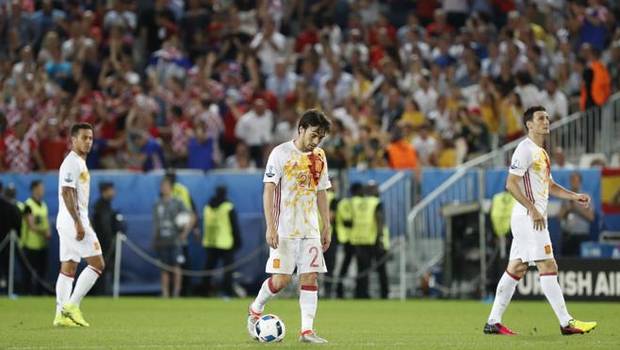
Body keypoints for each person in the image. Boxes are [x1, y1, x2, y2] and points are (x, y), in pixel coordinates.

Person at [484, 106, 597, 336]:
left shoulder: (542, 152)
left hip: (529, 216)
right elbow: (510, 184)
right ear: (529, 124)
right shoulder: (524, 149)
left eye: (547, 117)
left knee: (517, 267)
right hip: (529, 218)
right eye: (541, 118)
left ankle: (493, 321)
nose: (546, 121)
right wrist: (533, 209)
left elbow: (550, 186)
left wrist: (574, 196)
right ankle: (567, 323)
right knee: (548, 265)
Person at [247, 109, 331, 344]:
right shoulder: (280, 153)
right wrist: (270, 226)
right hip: (284, 229)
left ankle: (307, 331)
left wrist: (327, 225)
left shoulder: (320, 157)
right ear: (301, 129)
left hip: (310, 229)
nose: (316, 141)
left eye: (320, 137)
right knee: (281, 280)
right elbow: (269, 190)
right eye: (313, 135)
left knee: (310, 277)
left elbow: (322, 191)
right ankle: (255, 309)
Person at [54, 123, 105, 328]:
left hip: (67, 220)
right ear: (73, 140)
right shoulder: (72, 162)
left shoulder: (79, 163)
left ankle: (60, 315)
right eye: (84, 138)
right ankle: (72, 306)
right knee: (98, 264)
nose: (88, 142)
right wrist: (77, 222)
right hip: (72, 221)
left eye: (91, 138)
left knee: (69, 266)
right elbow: (67, 192)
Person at [153, 176, 192, 298]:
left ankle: (176, 292)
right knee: (164, 268)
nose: (163, 188)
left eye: (166, 186)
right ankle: (165, 292)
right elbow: (155, 223)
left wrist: (184, 233)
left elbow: (190, 216)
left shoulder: (178, 202)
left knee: (176, 266)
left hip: (175, 240)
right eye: (162, 186)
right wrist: (155, 238)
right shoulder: (157, 203)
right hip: (162, 240)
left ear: (171, 188)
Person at [202, 186, 242, 297]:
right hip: (225, 242)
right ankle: (227, 292)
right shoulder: (228, 206)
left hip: (210, 242)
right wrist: (238, 241)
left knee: (208, 269)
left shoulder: (207, 207)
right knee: (228, 270)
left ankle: (205, 291)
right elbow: (234, 225)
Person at [20, 180, 51, 295]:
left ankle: (38, 294)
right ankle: (26, 293)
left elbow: (46, 222)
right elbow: (31, 226)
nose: (43, 190)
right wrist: (44, 232)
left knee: (42, 272)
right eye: (40, 188)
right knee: (28, 272)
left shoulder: (43, 205)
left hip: (42, 244)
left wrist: (48, 231)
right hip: (30, 244)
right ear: (34, 189)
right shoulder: (28, 205)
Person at [91, 182, 119, 295]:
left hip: (104, 243)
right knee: (100, 269)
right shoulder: (101, 206)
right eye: (111, 190)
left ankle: (104, 292)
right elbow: (104, 226)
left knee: (104, 269)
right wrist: (110, 238)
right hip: (102, 244)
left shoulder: (106, 205)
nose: (114, 192)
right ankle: (100, 293)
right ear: (105, 191)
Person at [559, 172, 594, 257]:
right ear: (570, 181)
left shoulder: (586, 198)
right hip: (567, 236)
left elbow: (591, 217)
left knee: (583, 265)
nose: (574, 183)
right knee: (566, 264)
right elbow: (559, 217)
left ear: (580, 182)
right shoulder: (565, 196)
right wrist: (567, 209)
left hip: (582, 236)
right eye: (572, 180)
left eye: (576, 181)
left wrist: (577, 208)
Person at [0, 181, 22, 292]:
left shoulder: (14, 206)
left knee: (6, 268)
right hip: (8, 243)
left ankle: (6, 288)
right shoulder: (12, 207)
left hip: (8, 242)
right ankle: (7, 289)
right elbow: (17, 224)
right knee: (7, 267)